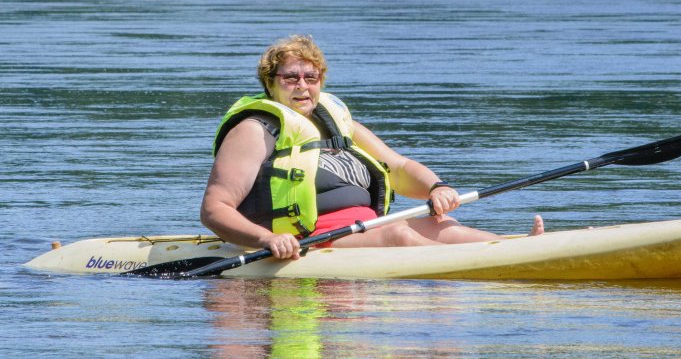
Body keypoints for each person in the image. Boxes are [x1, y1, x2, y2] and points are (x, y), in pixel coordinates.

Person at [201, 35, 544, 260]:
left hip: (365, 228)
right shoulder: (254, 129)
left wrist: (436, 188)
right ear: (270, 83)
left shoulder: (335, 121)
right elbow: (215, 208)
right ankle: (486, 272)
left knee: (443, 225)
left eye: (311, 77)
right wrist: (266, 239)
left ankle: (520, 250)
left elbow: (398, 168)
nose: (302, 85)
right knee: (399, 235)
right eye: (290, 77)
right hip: (307, 240)